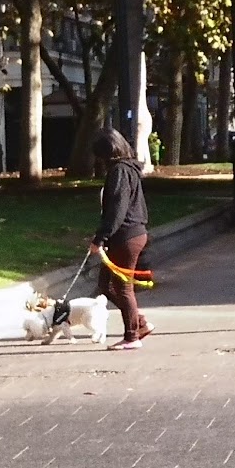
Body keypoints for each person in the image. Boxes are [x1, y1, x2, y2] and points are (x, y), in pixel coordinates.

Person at [90, 128, 152, 350]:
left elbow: (117, 208)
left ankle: (132, 336)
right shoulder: (130, 169)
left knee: (122, 288)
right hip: (132, 233)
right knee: (105, 285)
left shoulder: (119, 172)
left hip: (125, 236)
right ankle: (139, 323)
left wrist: (100, 238)